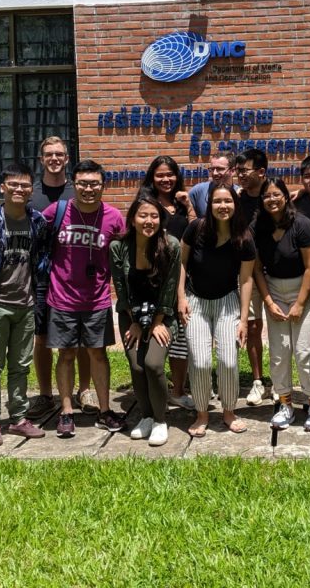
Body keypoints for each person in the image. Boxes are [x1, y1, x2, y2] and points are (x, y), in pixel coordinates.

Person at [44, 159, 127, 437]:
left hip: (97, 299)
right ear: (73, 184)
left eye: (94, 183)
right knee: (65, 354)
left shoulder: (114, 217)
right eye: (82, 183)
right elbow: (31, 232)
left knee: (98, 354)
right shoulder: (57, 211)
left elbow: (130, 250)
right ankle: (66, 412)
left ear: (103, 185)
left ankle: (104, 411)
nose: (88, 189)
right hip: (61, 298)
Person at [26, 136, 99, 421]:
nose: (54, 159)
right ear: (41, 159)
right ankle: (46, 395)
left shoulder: (78, 190)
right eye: (49, 154)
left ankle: (84, 390)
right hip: (42, 275)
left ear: (67, 159)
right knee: (42, 337)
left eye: (60, 154)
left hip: (75, 275)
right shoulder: (31, 194)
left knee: (80, 337)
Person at [179, 182, 256, 436]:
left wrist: (244, 319)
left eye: (228, 201)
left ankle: (228, 411)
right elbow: (181, 263)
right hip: (196, 302)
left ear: (235, 204)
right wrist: (181, 297)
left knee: (228, 361)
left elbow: (246, 280)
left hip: (227, 302)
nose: (223, 206)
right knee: (200, 362)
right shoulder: (196, 229)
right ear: (209, 205)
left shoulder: (244, 238)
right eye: (217, 202)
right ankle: (202, 414)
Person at [0, 164, 48, 448]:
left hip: (26, 302)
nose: (19, 189)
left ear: (31, 189)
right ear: (2, 188)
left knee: (20, 364)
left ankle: (18, 417)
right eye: (14, 184)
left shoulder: (38, 221)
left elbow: (42, 261)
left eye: (25, 185)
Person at [252, 178, 310, 431]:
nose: (272, 200)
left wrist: (300, 303)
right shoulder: (257, 226)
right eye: (266, 196)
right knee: (280, 353)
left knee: (305, 352)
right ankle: (285, 403)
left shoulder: (301, 224)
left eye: (276, 194)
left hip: (302, 291)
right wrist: (269, 302)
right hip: (273, 290)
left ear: (285, 196)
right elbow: (257, 269)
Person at [110, 193, 181, 447]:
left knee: (152, 364)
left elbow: (170, 287)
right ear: (132, 219)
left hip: (162, 316)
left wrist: (157, 321)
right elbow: (120, 287)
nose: (148, 221)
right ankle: (147, 416)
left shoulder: (171, 245)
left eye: (154, 216)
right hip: (131, 316)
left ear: (161, 220)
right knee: (137, 367)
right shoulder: (118, 247)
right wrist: (136, 323)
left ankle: (161, 420)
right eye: (143, 215)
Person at [140, 155, 195, 410]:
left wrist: (189, 205)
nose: (166, 179)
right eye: (160, 175)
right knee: (158, 335)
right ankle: (154, 387)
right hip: (157, 279)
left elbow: (197, 232)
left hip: (186, 276)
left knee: (182, 336)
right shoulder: (147, 204)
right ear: (152, 177)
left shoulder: (181, 205)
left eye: (170, 174)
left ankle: (179, 389)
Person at [234, 148, 270, 405]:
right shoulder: (236, 200)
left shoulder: (274, 194)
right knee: (253, 325)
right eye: (238, 171)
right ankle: (258, 381)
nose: (240, 176)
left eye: (244, 171)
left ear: (261, 172)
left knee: (282, 328)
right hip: (246, 271)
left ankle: (281, 382)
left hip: (277, 271)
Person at [188, 151, 235, 218]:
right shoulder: (198, 191)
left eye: (220, 169)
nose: (214, 173)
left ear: (232, 171)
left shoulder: (239, 193)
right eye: (212, 169)